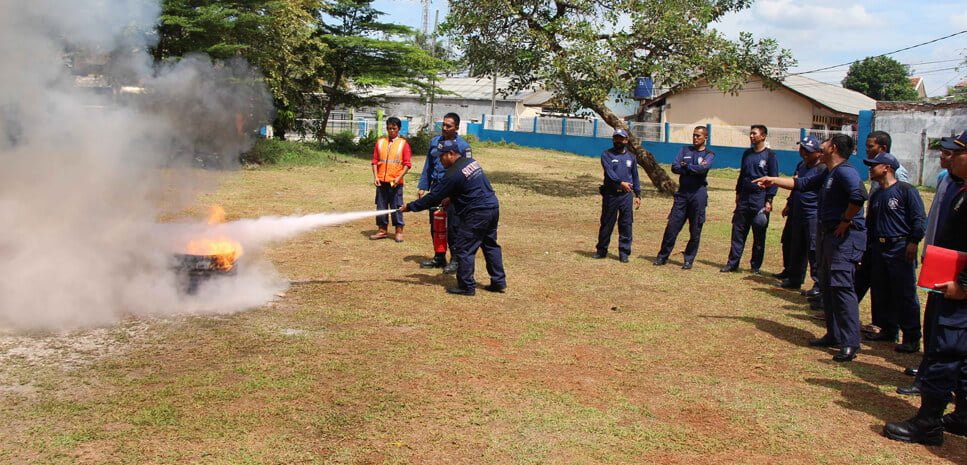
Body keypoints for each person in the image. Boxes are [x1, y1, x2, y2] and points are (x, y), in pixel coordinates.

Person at [883, 129, 967, 445]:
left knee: (947, 350)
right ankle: (962, 416)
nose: (949, 159)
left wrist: (964, 285)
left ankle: (928, 423)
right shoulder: (960, 188)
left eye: (957, 153)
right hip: (952, 281)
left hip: (959, 291)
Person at [754, 135, 868, 362]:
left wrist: (846, 220)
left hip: (843, 239)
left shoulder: (845, 172)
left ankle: (850, 342)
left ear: (833, 147)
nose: (821, 145)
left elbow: (860, 195)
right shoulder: (829, 171)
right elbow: (802, 184)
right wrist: (773, 180)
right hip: (828, 236)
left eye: (825, 142)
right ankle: (834, 334)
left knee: (842, 287)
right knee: (828, 286)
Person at [897, 136, 965, 397]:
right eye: (946, 152)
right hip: (939, 259)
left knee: (948, 331)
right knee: (935, 321)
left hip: (957, 270)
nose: (945, 157)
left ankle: (934, 384)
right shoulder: (947, 181)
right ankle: (928, 368)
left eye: (953, 153)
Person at [400, 139, 506, 296]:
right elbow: (468, 186)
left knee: (463, 248)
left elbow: (434, 197)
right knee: (490, 244)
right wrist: (451, 196)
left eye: (441, 156)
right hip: (492, 207)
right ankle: (498, 282)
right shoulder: (470, 162)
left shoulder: (452, 174)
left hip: (477, 212)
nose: (439, 160)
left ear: (451, 154)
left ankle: (466, 286)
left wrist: (410, 207)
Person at [862, 152, 926, 353]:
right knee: (881, 290)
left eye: (874, 165)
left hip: (900, 247)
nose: (871, 168)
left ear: (887, 168)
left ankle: (911, 336)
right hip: (879, 247)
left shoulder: (906, 190)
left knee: (904, 292)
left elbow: (918, 218)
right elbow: (870, 223)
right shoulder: (878, 194)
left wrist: (913, 241)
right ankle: (887, 329)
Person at [855, 131, 910, 319]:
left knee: (893, 286)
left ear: (883, 148)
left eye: (870, 147)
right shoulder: (875, 173)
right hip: (875, 235)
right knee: (868, 277)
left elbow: (903, 208)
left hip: (894, 240)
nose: (867, 151)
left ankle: (891, 326)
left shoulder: (898, 176)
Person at [416, 113, 472, 272]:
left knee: (454, 226)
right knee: (436, 224)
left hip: (454, 191)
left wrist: (452, 194)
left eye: (449, 126)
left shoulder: (463, 146)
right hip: (436, 188)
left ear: (456, 128)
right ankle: (439, 257)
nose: (444, 128)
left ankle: (455, 260)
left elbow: (465, 172)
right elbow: (429, 165)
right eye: (443, 125)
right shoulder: (435, 142)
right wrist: (423, 186)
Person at [654, 126, 714, 270]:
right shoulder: (685, 150)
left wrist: (687, 167)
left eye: (698, 136)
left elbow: (702, 170)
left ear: (705, 137)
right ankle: (662, 257)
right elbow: (675, 167)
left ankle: (688, 259)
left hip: (698, 194)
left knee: (695, 229)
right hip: (682, 194)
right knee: (672, 227)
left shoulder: (709, 154)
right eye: (694, 135)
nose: (695, 138)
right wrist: (692, 168)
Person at [721, 125, 778, 274]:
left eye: (754, 133)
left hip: (759, 199)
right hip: (745, 199)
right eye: (750, 133)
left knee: (759, 233)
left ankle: (755, 266)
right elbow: (742, 175)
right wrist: (738, 194)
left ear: (763, 136)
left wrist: (769, 201)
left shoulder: (770, 155)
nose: (751, 136)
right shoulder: (747, 154)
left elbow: (773, 179)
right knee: (738, 231)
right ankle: (732, 263)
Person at [777, 135, 825, 293]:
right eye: (802, 149)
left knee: (813, 249)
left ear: (818, 153)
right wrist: (789, 204)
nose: (804, 153)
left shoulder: (822, 169)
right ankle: (794, 279)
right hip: (797, 211)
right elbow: (795, 186)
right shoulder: (801, 165)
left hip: (813, 214)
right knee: (796, 246)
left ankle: (818, 284)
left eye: (808, 151)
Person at [593, 129, 641, 263]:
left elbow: (635, 175)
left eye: (621, 138)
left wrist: (638, 194)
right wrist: (620, 183)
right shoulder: (606, 155)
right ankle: (601, 250)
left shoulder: (631, 157)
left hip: (626, 196)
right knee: (607, 223)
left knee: (626, 224)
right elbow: (609, 173)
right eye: (616, 138)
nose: (618, 141)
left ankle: (624, 252)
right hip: (611, 194)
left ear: (626, 140)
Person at [369, 117, 412, 242]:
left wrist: (398, 178)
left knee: (396, 205)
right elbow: (375, 161)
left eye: (394, 128)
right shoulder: (380, 142)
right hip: (381, 181)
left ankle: (399, 231)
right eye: (389, 128)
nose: (391, 131)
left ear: (398, 129)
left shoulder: (403, 144)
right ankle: (382, 230)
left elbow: (407, 164)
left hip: (395, 182)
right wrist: (376, 176)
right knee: (381, 206)